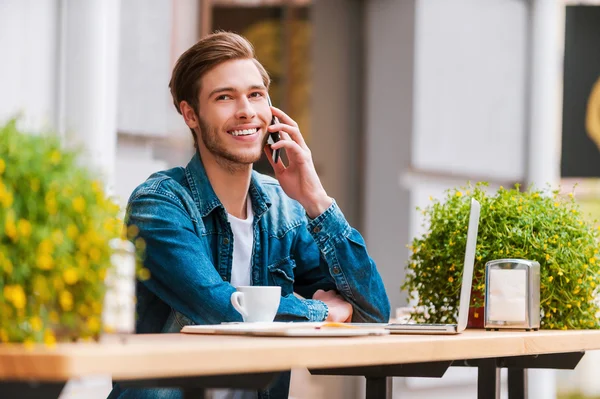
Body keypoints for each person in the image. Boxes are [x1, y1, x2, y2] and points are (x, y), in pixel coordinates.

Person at [108, 31, 390, 399]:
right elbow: (219, 307)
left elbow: (372, 312)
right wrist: (320, 312)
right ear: (190, 114)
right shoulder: (159, 204)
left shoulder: (284, 209)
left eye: (255, 94)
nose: (246, 110)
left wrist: (316, 200)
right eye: (224, 97)